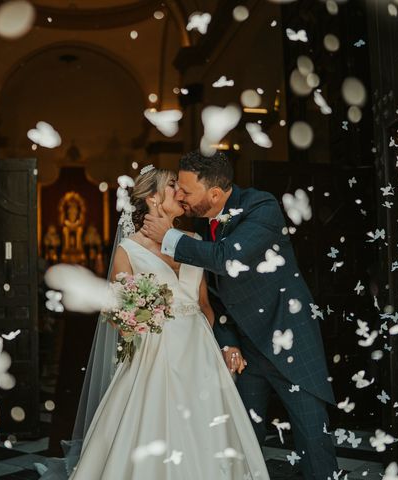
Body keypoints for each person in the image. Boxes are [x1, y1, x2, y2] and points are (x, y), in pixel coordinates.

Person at [141, 151, 339, 479]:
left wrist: (168, 237)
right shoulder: (199, 227)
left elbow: (227, 258)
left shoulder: (262, 207)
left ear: (214, 194)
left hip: (287, 341)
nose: (179, 196)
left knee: (313, 439)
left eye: (186, 192)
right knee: (241, 441)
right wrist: (229, 341)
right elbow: (215, 297)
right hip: (245, 354)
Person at [69, 166, 269, 480]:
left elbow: (204, 305)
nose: (181, 191)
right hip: (154, 356)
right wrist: (139, 318)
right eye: (173, 185)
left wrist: (218, 347)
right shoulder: (129, 251)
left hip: (199, 353)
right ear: (152, 198)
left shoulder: (193, 240)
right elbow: (118, 317)